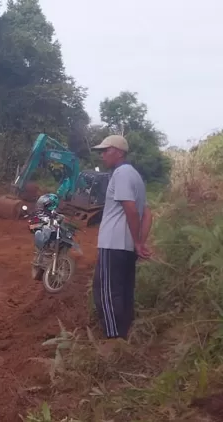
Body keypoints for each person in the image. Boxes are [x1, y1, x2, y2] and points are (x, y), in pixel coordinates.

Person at [90, 134, 153, 353]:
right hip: (126, 247)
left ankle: (114, 342)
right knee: (124, 291)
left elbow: (130, 208)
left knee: (105, 291)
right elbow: (147, 214)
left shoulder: (122, 173)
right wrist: (140, 242)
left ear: (118, 152)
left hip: (113, 243)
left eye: (105, 150)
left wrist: (137, 241)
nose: (102, 155)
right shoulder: (136, 176)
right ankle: (125, 337)